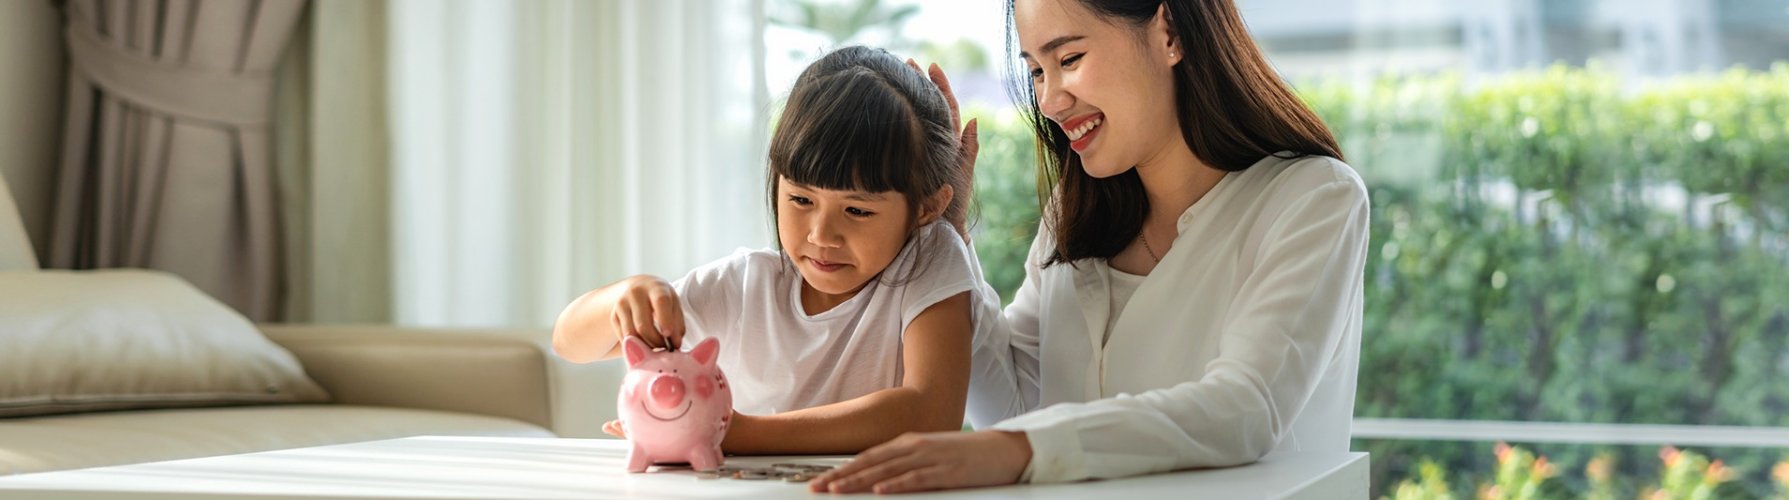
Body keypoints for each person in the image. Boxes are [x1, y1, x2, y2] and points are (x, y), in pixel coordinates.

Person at [810, 0, 1369, 493]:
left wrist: (1021, 450)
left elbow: (1245, 408)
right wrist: (944, 237)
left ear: (1169, 31)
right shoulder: (1071, 218)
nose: (1050, 100)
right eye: (1035, 71)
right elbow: (1009, 409)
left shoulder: (1313, 199)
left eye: (1069, 59)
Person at [551, 45, 995, 455]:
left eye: (857, 210)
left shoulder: (928, 258)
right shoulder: (747, 285)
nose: (822, 235)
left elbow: (931, 412)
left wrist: (734, 431)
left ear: (927, 207)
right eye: (801, 200)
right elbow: (569, 341)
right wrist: (629, 293)